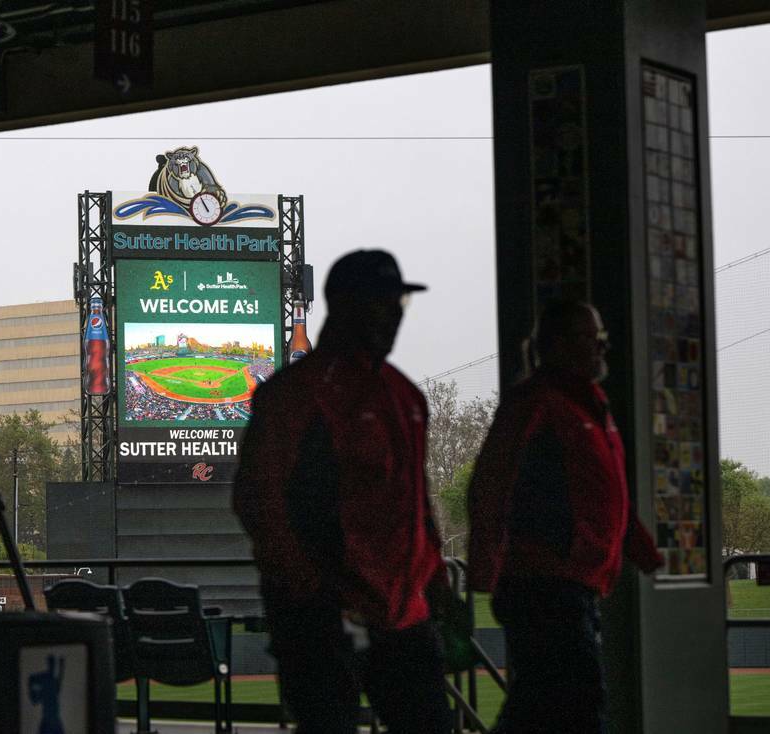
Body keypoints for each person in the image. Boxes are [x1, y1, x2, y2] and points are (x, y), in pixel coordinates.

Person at [233, 249, 453, 734]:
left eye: (400, 302)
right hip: (321, 618)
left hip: (402, 612)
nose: (396, 313)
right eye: (384, 301)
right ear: (346, 305)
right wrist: (310, 590)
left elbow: (416, 501)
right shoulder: (296, 394)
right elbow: (257, 499)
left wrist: (433, 574)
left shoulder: (406, 396)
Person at [466, 299, 664, 734]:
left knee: (541, 708)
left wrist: (648, 556)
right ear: (558, 344)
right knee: (576, 705)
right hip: (544, 585)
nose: (601, 348)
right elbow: (490, 484)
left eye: (601, 340)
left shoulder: (587, 407)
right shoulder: (538, 404)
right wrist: (484, 566)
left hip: (569, 585)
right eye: (592, 339)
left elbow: (611, 496)